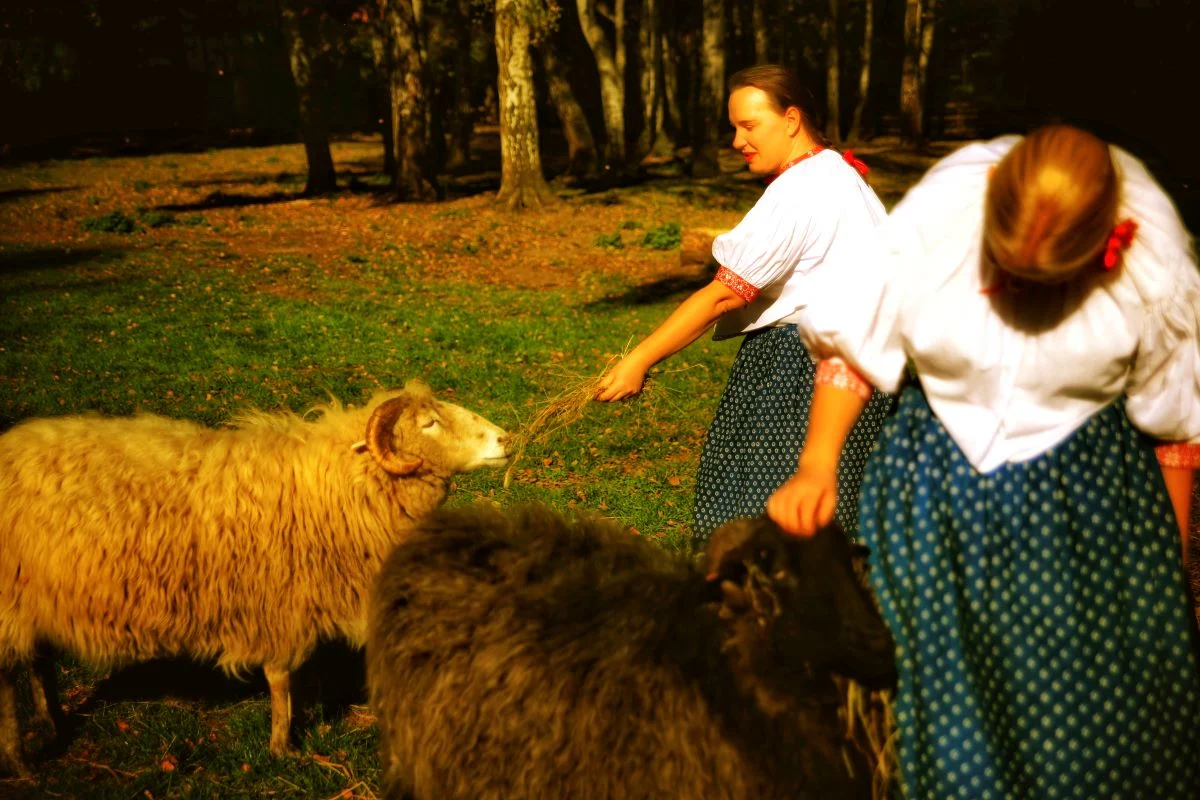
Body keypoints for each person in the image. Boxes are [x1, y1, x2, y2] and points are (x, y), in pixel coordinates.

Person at [769, 124, 1200, 798]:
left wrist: (1166, 561)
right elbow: (856, 343)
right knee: (943, 711)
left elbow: (1178, 427)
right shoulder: (938, 219)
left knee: (1087, 723)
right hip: (938, 496)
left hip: (1082, 509)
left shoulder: (1157, 259)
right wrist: (817, 463)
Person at [594, 64, 894, 550]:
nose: (737, 141)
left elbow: (724, 293)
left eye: (749, 126)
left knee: (758, 523)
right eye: (734, 127)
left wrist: (639, 359)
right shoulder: (839, 174)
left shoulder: (803, 191)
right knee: (832, 520)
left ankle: (759, 614)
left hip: (797, 374)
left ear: (792, 120)